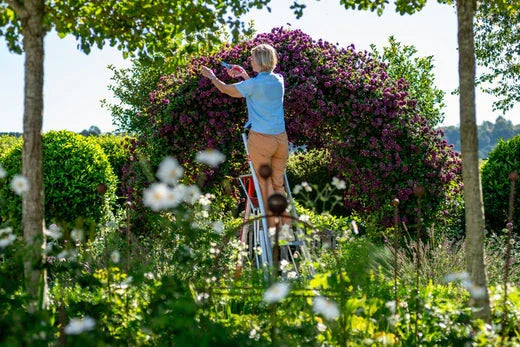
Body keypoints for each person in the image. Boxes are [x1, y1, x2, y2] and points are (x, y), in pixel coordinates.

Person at [200, 44, 288, 227]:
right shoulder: (279, 80)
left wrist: (212, 76)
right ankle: (285, 224)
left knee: (265, 185)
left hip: (261, 140)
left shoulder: (254, 85)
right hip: (281, 140)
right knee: (278, 184)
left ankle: (274, 230)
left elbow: (225, 89)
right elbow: (257, 91)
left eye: (253, 58)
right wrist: (244, 76)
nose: (250, 61)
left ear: (260, 61)